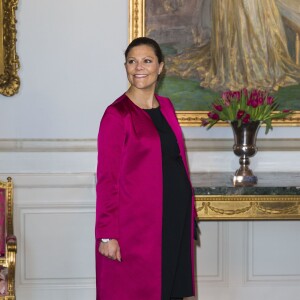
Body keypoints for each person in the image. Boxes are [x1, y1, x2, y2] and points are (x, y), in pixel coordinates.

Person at [95, 37, 197, 300]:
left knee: (171, 292)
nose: (138, 67)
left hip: (174, 219)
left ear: (160, 67)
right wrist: (107, 235)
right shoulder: (117, 114)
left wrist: (190, 212)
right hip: (137, 228)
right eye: (132, 61)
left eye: (147, 61)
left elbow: (176, 160)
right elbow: (107, 178)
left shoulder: (167, 107)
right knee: (137, 291)